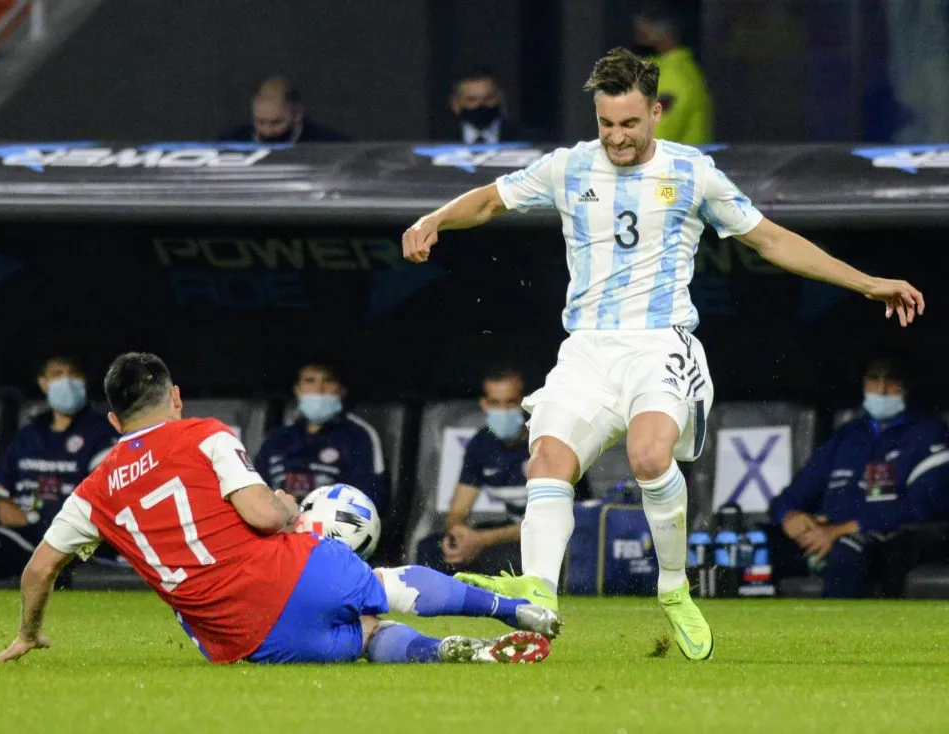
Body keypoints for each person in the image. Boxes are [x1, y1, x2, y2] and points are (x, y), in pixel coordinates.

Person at [401, 47, 924, 660]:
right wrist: (434, 218)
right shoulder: (568, 168)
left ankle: (673, 587)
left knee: (650, 457)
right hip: (587, 350)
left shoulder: (693, 172)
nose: (616, 138)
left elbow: (772, 240)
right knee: (547, 462)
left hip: (659, 344)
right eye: (605, 124)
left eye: (629, 123)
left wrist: (867, 282)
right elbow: (488, 199)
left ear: (654, 112)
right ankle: (538, 597)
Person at [0, 352, 559, 666]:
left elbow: (39, 569)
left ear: (114, 423)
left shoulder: (93, 491)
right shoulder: (203, 434)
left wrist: (29, 632)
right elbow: (264, 516)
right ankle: (509, 610)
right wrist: (289, 506)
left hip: (244, 639)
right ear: (175, 397)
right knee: (378, 587)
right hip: (288, 572)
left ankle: (456, 654)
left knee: (363, 636)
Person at [768, 354, 949, 598]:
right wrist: (790, 516)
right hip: (822, 535)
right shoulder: (847, 436)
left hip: (887, 538)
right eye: (874, 379)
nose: (882, 389)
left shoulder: (928, 434)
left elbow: (924, 506)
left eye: (891, 380)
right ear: (863, 384)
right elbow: (794, 494)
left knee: (849, 549)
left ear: (907, 385)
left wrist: (842, 530)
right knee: (754, 547)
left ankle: (835, 635)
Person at [0, 355, 116, 588]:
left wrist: (32, 517)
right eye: (58, 375)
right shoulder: (30, 435)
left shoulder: (100, 433)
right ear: (43, 383)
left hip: (60, 531)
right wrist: (3, 505)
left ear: (85, 383)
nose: (67, 381)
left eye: (74, 375)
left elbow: (101, 496)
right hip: (16, 529)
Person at [416, 367, 589, 574]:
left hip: (561, 536)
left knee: (507, 561)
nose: (504, 411)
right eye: (496, 404)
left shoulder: (548, 442)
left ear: (525, 402)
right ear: (485, 405)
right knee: (430, 549)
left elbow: (550, 522)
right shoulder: (481, 445)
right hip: (511, 532)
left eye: (511, 402)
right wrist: (458, 534)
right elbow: (457, 512)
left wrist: (480, 540)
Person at [253, 361, 388, 513]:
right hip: (275, 527)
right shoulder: (276, 438)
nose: (319, 389)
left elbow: (371, 499)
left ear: (342, 390)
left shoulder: (359, 436)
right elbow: (253, 491)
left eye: (328, 381)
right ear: (297, 389)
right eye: (310, 381)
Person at [631, 1, 713, 144]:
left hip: (673, 165)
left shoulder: (675, 75)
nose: (640, 25)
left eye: (651, 20)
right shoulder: (674, 68)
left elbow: (655, 137)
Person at [219, 74, 348, 144]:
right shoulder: (230, 143)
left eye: (276, 123)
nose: (267, 131)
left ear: (297, 115)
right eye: (260, 122)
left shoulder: (328, 145)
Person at [442, 67, 551, 144]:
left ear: (500, 98)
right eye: (472, 100)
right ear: (455, 104)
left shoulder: (530, 140)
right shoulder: (439, 142)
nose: (481, 105)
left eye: (488, 98)